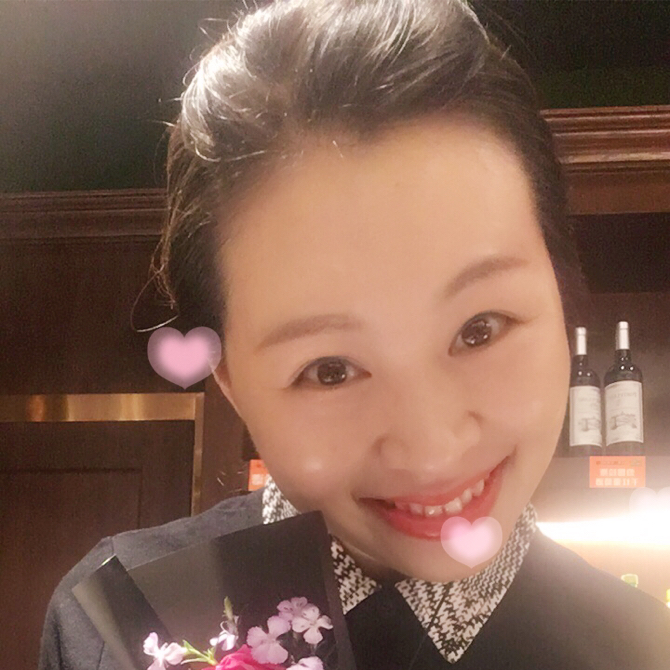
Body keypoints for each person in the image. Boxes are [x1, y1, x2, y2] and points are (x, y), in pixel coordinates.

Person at [39, 1, 670, 668]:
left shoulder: (643, 649)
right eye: (330, 370)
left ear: (562, 293)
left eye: (479, 329)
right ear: (231, 382)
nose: (431, 449)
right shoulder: (120, 628)